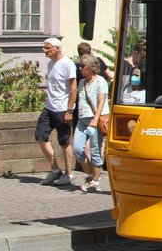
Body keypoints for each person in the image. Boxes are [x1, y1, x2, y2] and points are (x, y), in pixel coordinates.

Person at [36, 37, 78, 186]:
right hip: (49, 107)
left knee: (64, 142)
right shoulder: (50, 63)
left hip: (62, 108)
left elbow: (73, 88)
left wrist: (69, 110)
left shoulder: (68, 64)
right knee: (41, 136)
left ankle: (69, 174)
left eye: (48, 48)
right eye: (44, 48)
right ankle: (55, 170)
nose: (45, 51)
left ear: (57, 49)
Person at [73, 55, 109, 192]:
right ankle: (91, 174)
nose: (80, 69)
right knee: (77, 149)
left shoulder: (100, 81)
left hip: (95, 119)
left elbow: (101, 102)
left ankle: (95, 180)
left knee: (95, 149)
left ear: (90, 67)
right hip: (82, 120)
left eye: (83, 66)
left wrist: (95, 119)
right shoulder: (82, 82)